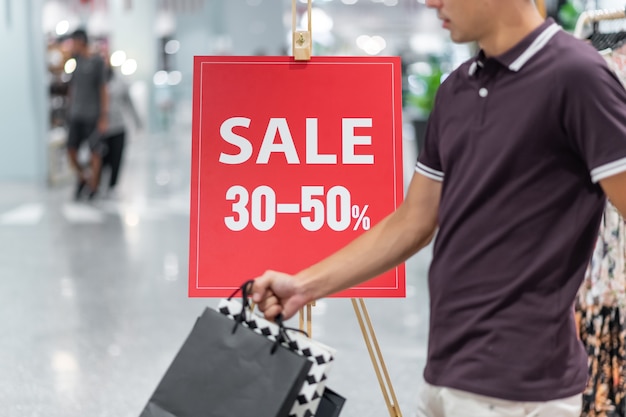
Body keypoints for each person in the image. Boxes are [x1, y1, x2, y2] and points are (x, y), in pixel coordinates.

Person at [251, 1, 626, 416]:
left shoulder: (577, 76)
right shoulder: (456, 90)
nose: (430, 1)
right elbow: (413, 220)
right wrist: (303, 286)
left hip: (521, 390)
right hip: (445, 376)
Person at [65, 28, 108, 200]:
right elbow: (72, 88)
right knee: (71, 150)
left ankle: (94, 186)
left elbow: (103, 89)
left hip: (93, 114)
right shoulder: (75, 62)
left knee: (94, 152)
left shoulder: (97, 62)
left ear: (80, 41)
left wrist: (104, 115)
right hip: (76, 115)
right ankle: (84, 177)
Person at [99, 66, 142, 198]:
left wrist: (137, 122)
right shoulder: (98, 81)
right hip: (102, 128)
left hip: (118, 126)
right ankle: (98, 185)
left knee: (117, 158)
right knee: (102, 159)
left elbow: (129, 102)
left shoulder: (120, 81)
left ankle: (113, 186)